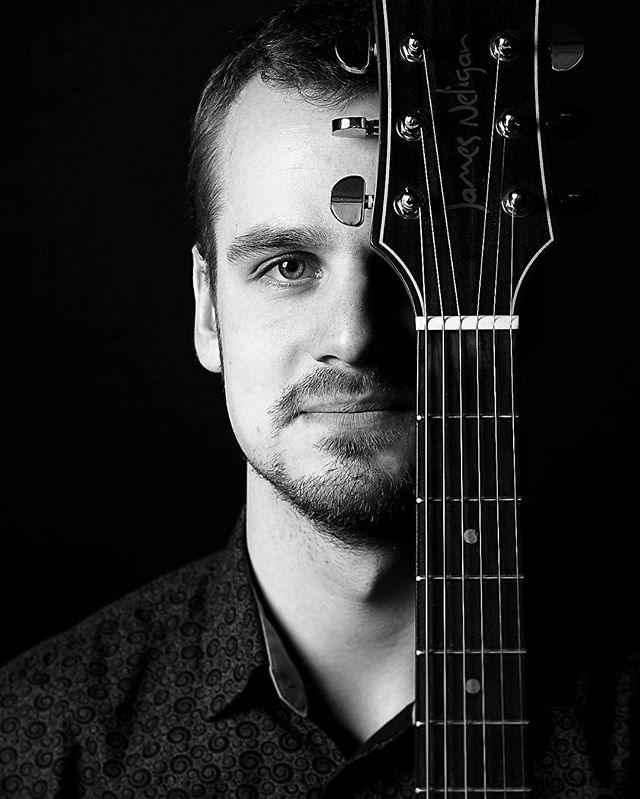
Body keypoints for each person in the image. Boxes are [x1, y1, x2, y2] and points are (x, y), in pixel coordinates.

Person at [1, 1, 637, 797]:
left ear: (511, 299)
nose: (355, 334)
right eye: (288, 265)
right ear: (207, 310)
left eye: (422, 260)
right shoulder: (34, 742)